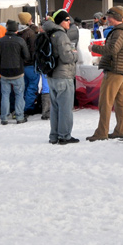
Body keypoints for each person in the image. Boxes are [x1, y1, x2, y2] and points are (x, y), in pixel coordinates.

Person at [86, 6, 123, 142]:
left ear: (117, 18)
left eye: (109, 17)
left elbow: (112, 50)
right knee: (120, 102)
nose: (107, 19)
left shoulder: (119, 32)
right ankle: (121, 130)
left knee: (105, 102)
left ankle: (102, 132)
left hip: (115, 70)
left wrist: (93, 47)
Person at [44, 10, 79, 144]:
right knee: (65, 108)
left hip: (52, 75)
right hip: (63, 75)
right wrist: (75, 54)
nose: (69, 22)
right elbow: (66, 57)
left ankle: (54, 136)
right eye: (66, 20)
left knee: (55, 108)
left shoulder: (48, 32)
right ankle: (64, 136)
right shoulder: (61, 35)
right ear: (59, 21)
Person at [0, 20, 30, 125]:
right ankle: (19, 116)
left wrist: (0, 69)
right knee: (19, 94)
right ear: (16, 29)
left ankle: (4, 117)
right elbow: (27, 56)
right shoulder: (20, 41)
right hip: (18, 71)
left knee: (5, 94)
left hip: (4, 72)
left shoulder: (0, 41)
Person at [17, 12, 39, 114]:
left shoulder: (17, 32)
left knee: (24, 86)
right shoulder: (30, 33)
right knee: (32, 85)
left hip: (20, 65)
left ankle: (21, 106)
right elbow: (33, 50)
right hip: (30, 64)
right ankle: (27, 107)